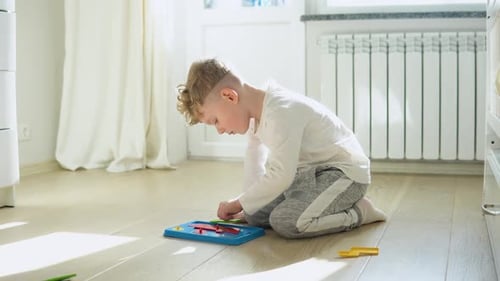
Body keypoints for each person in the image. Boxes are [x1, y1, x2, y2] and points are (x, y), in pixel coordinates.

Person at [176, 58, 386, 239]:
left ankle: (359, 212)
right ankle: (307, 206)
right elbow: (255, 158)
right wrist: (248, 204)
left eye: (215, 121)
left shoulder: (282, 111)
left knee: (286, 222)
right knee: (254, 215)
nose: (220, 130)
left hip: (343, 175)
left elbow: (281, 175)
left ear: (229, 97)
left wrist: (240, 202)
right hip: (305, 176)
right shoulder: (255, 116)